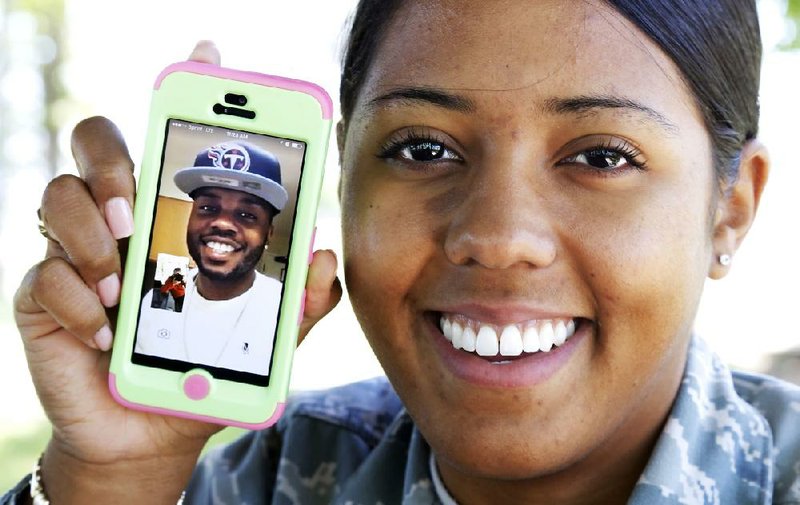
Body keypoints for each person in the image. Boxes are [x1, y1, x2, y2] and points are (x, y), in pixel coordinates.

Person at [6, 0, 800, 503]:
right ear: (345, 173)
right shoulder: (264, 484)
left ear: (730, 208)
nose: (495, 237)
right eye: (422, 149)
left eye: (601, 157)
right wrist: (112, 482)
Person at [134, 142, 287, 374]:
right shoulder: (171, 283)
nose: (223, 223)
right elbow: (146, 346)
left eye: (247, 215)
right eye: (208, 208)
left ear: (269, 234)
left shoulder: (281, 303)